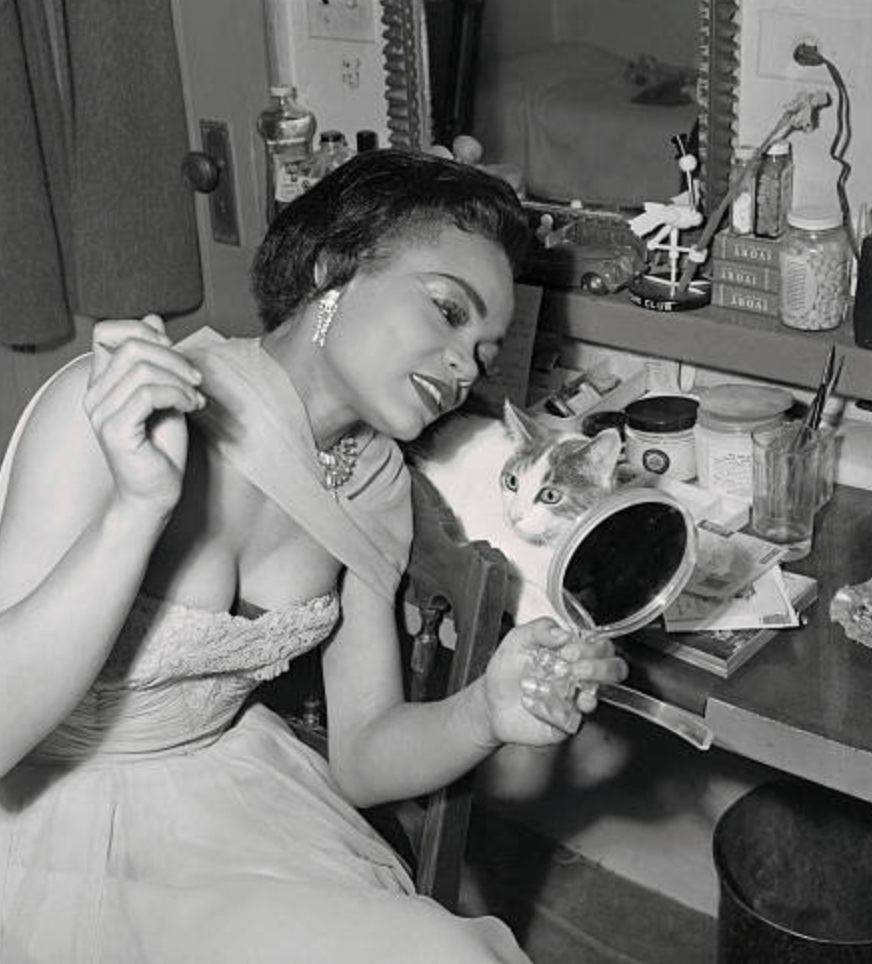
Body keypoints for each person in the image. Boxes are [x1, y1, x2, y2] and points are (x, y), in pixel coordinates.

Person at [0, 149, 627, 963]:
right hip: (35, 823)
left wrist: (486, 712)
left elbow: (363, 757)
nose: (465, 364)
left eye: (484, 347)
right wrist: (137, 512)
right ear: (335, 269)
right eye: (447, 310)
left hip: (225, 806)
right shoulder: (120, 401)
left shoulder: (375, 484)